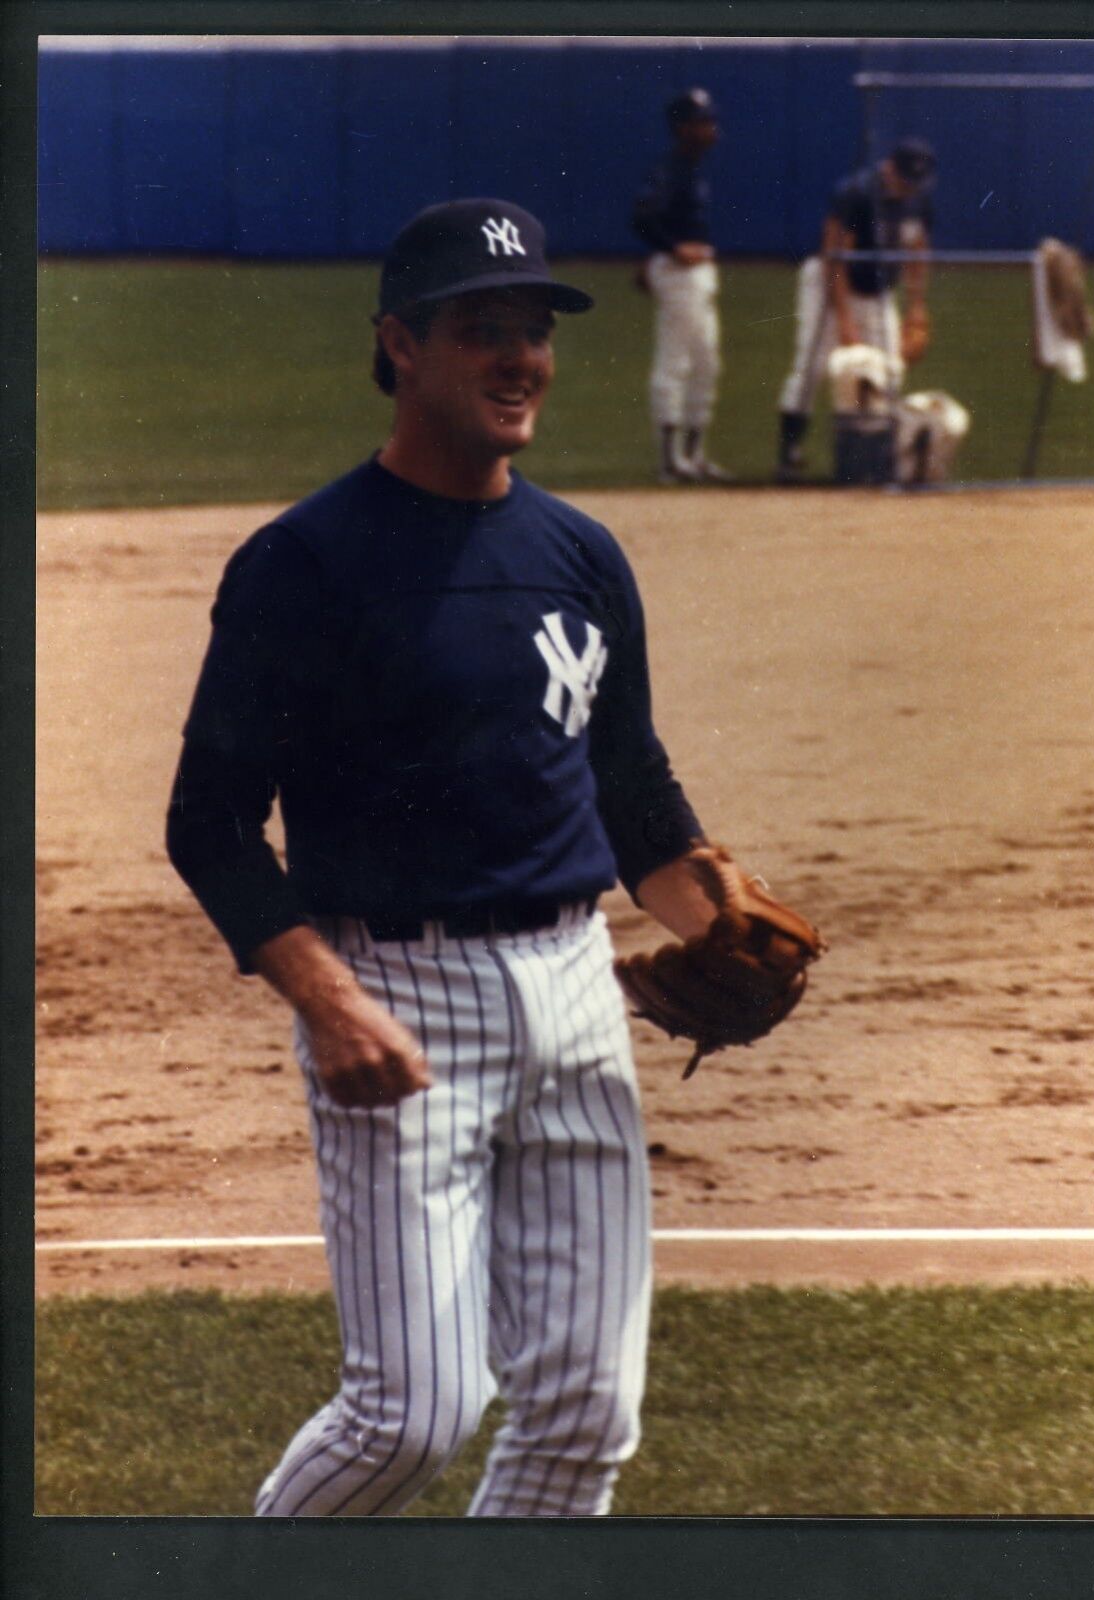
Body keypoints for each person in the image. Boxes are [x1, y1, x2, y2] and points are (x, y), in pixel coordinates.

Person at [166, 197, 725, 1518]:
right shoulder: (302, 564)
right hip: (400, 1003)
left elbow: (626, 777)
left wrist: (708, 906)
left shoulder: (581, 555)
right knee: (415, 1417)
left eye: (533, 330)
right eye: (485, 329)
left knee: (587, 1413)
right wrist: (327, 997)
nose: (520, 357)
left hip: (578, 990)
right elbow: (209, 821)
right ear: (399, 346)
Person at [775, 137, 937, 483]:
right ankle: (789, 454)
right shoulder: (857, 193)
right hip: (829, 286)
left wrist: (917, 309)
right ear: (889, 168)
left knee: (890, 367)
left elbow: (918, 252)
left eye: (915, 182)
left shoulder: (916, 200)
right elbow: (835, 258)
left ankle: (877, 457)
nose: (910, 188)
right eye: (905, 179)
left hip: (878, 291)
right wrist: (845, 322)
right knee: (813, 365)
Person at [631, 86, 733, 484]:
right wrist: (670, 249)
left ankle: (694, 454)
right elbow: (641, 217)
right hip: (680, 274)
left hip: (697, 273)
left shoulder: (690, 168)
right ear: (681, 128)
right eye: (701, 121)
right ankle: (670, 460)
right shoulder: (668, 169)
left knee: (708, 361)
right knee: (676, 360)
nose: (710, 128)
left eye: (709, 120)